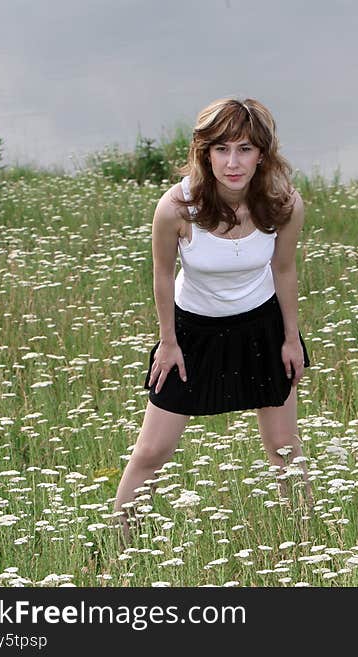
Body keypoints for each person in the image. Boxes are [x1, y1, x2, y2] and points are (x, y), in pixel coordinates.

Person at [113, 97, 312, 544]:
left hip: (261, 327)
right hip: (193, 333)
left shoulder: (283, 204)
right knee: (151, 450)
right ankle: (120, 545)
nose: (233, 162)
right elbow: (163, 275)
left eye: (244, 149)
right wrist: (168, 342)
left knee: (284, 447)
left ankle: (306, 541)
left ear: (263, 153)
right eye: (221, 149)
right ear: (205, 154)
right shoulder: (177, 207)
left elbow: (284, 269)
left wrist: (291, 338)